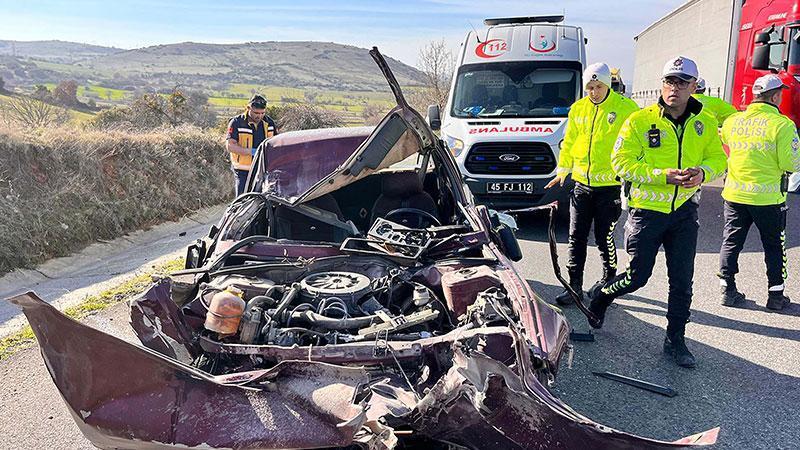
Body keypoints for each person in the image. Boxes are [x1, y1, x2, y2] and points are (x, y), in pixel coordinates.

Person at [586, 56, 727, 368]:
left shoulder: (703, 122)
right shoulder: (639, 120)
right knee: (638, 277)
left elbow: (719, 159)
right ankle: (603, 295)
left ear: (694, 86)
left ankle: (675, 339)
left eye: (681, 81)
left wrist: (703, 172)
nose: (674, 87)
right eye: (669, 81)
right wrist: (662, 175)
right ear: (662, 85)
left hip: (684, 213)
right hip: (646, 213)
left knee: (682, 280)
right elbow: (620, 162)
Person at [545, 62, 639, 306]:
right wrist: (563, 170)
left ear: (607, 85)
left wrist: (633, 175)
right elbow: (569, 142)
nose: (594, 92)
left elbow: (638, 143)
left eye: (598, 87)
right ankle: (574, 286)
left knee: (603, 237)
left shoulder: (626, 108)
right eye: (589, 87)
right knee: (576, 237)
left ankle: (608, 282)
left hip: (609, 187)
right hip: (581, 185)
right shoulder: (577, 109)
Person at [717, 74, 800, 310]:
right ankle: (775, 297)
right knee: (774, 245)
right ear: (775, 96)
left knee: (731, 242)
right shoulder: (783, 125)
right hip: (768, 198)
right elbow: (791, 164)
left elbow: (723, 141)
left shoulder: (733, 121)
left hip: (734, 195)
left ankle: (727, 290)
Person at [225, 94, 277, 196]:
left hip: (263, 170)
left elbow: (275, 143)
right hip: (243, 171)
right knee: (241, 201)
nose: (259, 116)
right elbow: (230, 146)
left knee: (261, 201)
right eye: (256, 113)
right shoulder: (236, 122)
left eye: (262, 113)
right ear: (248, 108)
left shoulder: (269, 123)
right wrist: (252, 152)